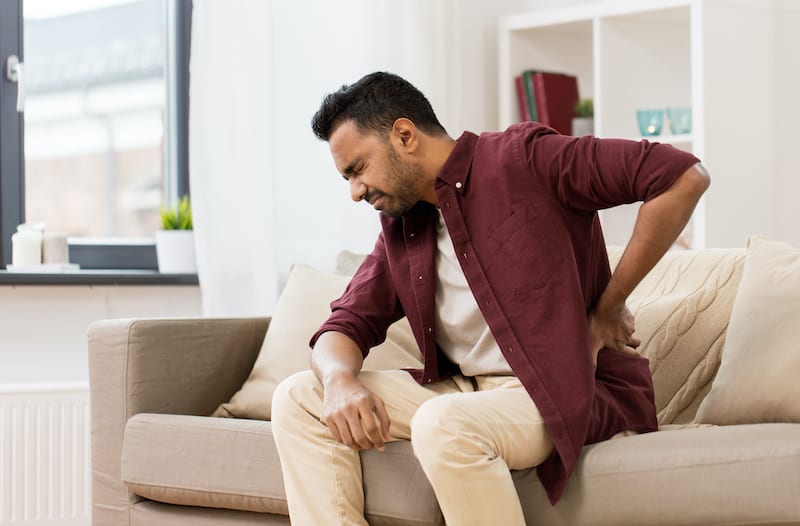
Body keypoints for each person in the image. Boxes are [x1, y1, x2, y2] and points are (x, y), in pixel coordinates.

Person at [271, 71, 709, 525]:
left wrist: (610, 306)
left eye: (358, 169)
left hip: (563, 388)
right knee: (299, 397)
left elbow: (682, 176)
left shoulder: (527, 159)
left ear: (404, 136)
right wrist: (338, 380)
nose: (355, 192)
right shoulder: (404, 229)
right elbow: (344, 325)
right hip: (470, 393)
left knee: (443, 424)